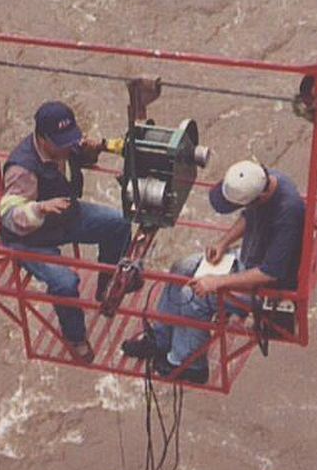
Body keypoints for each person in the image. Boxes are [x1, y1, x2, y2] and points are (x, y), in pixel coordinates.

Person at [121, 159, 304, 383]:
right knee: (183, 267)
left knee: (194, 296)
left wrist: (217, 283)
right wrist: (224, 242)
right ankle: (160, 337)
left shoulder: (289, 212)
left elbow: (270, 273)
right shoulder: (263, 179)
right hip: (248, 259)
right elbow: (249, 216)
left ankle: (188, 364)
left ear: (258, 198)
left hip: (268, 287)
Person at [0, 100, 132, 363]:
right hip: (30, 237)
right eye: (61, 141)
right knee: (64, 282)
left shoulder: (65, 145)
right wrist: (40, 209)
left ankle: (106, 287)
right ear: (43, 138)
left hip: (63, 214)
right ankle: (76, 337)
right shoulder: (22, 170)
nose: (67, 145)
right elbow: (9, 216)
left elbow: (81, 159)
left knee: (119, 224)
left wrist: (93, 151)